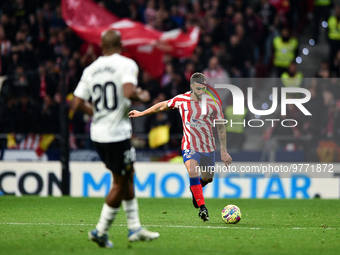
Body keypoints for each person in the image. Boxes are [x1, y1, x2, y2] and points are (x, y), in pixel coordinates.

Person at [72, 29, 159, 248]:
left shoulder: (90, 69)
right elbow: (129, 91)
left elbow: (76, 102)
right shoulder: (126, 64)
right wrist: (143, 96)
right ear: (121, 45)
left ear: (101, 46)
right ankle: (100, 230)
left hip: (98, 134)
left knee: (127, 176)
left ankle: (135, 228)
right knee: (120, 182)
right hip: (117, 134)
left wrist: (98, 113)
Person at [129, 72, 232, 222]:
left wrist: (223, 151)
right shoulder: (181, 99)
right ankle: (203, 208)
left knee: (208, 178)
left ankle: (195, 189)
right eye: (198, 88)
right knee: (192, 170)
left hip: (207, 147)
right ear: (191, 87)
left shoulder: (213, 102)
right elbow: (162, 106)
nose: (201, 91)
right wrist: (142, 113)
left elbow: (221, 127)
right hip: (189, 145)